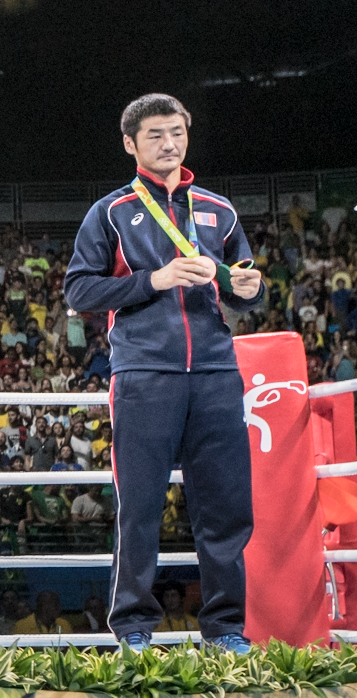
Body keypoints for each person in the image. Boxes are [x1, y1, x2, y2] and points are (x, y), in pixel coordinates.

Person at [65, 93, 264, 653]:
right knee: (142, 506)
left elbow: (243, 281)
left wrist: (250, 288)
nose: (169, 143)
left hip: (216, 371)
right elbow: (78, 289)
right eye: (155, 135)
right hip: (144, 372)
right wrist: (153, 281)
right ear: (130, 144)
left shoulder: (219, 210)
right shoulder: (110, 212)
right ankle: (132, 628)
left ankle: (226, 629)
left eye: (176, 132)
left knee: (225, 507)